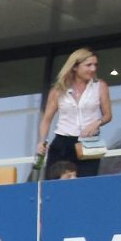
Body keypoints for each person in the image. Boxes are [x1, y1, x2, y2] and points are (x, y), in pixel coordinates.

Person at [36, 47, 112, 180]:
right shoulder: (58, 90)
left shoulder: (100, 86)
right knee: (56, 182)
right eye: (88, 65)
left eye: (95, 65)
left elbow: (108, 115)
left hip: (89, 142)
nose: (93, 69)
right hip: (63, 142)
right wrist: (42, 141)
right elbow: (47, 119)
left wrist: (97, 123)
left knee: (86, 183)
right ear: (75, 67)